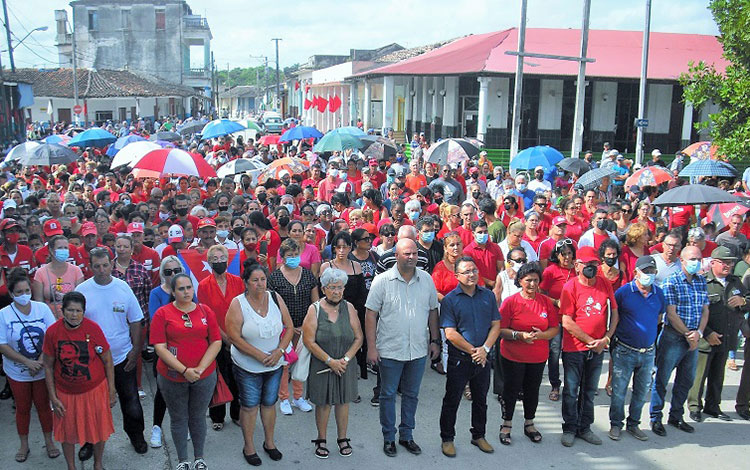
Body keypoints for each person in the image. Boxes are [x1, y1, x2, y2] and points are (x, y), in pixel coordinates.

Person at [365, 239, 440, 457]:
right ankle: (389, 437)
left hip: (417, 350)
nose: (412, 257)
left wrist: (435, 340)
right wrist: (372, 347)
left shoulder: (426, 279)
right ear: (396, 256)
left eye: (415, 253)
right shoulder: (382, 281)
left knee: (411, 395)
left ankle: (407, 436)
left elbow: (433, 311)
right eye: (407, 253)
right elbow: (370, 314)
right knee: (387, 394)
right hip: (389, 349)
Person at [75, 247, 147, 457]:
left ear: (112, 265)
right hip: (91, 360)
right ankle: (89, 441)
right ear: (90, 267)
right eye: (96, 266)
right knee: (91, 406)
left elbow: (136, 320)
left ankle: (137, 436)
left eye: (105, 265)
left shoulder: (123, 288)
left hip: (122, 357)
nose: (101, 270)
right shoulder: (82, 290)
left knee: (131, 401)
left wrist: (135, 350)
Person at [225, 261, 294, 466]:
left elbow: (289, 327)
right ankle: (249, 446)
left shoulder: (275, 297)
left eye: (263, 279)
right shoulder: (238, 304)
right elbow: (234, 337)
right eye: (255, 280)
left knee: (269, 404)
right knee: (249, 406)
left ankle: (269, 443)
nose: (260, 284)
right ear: (246, 282)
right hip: (247, 366)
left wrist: (279, 351)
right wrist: (257, 355)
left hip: (274, 363)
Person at [151, 273, 222, 470]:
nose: (186, 292)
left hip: (204, 376)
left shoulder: (205, 311)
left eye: (189, 287)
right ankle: (183, 460)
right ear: (173, 292)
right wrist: (184, 370)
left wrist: (199, 369)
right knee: (179, 418)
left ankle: (199, 458)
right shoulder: (162, 313)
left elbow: (216, 341)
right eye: (181, 289)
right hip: (172, 377)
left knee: (198, 416)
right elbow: (160, 347)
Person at [42, 291, 116, 470]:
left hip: (95, 390)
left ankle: (98, 464)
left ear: (84, 311)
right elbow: (48, 366)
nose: (74, 315)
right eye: (70, 310)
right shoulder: (53, 332)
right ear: (62, 310)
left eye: (78, 310)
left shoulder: (93, 329)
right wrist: (53, 396)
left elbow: (107, 360)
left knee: (99, 430)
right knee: (67, 433)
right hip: (65, 393)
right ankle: (71, 467)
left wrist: (111, 390)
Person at [438, 256, 500, 457]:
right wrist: (474, 351)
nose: (471, 274)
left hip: (483, 357)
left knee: (481, 399)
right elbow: (450, 333)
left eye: (474, 270)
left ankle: (479, 435)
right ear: (456, 276)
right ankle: (447, 438)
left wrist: (485, 349)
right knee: (452, 400)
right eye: (466, 271)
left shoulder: (488, 296)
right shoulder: (450, 300)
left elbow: (496, 324)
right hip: (460, 359)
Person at [560, 246, 618, 447]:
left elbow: (614, 313)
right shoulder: (570, 287)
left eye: (595, 264)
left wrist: (606, 339)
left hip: (599, 348)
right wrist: (589, 341)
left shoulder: (604, 283)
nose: (592, 268)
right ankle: (569, 428)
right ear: (577, 266)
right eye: (587, 264)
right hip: (575, 348)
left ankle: (584, 427)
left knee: (589, 390)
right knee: (571, 390)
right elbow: (566, 321)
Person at [303, 268, 363, 458]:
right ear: (323, 289)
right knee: (323, 403)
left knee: (343, 401)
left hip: (345, 364)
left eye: (340, 287)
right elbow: (308, 340)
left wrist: (344, 360)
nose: (336, 291)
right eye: (332, 287)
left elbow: (359, 338)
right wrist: (330, 361)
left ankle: (342, 438)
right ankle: (321, 439)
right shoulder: (315, 309)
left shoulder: (350, 308)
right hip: (322, 364)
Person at [0, 268, 59, 462]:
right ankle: (23, 444)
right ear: (11, 294)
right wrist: (27, 362)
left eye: (27, 291)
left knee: (44, 406)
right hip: (17, 371)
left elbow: (52, 335)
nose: (24, 295)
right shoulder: (3, 314)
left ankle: (49, 441)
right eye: (19, 292)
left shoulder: (41, 309)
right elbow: (2, 345)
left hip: (42, 370)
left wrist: (41, 361)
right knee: (22, 408)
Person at [650, 246, 709, 437]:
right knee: (662, 379)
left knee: (686, 380)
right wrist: (687, 334)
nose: (696, 262)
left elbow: (705, 310)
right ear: (681, 260)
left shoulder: (701, 281)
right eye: (692, 259)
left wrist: (698, 332)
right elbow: (671, 313)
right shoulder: (671, 281)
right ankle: (655, 417)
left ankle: (676, 416)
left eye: (698, 259)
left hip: (693, 339)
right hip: (673, 337)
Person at [498, 262, 559, 445]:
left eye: (535, 280)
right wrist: (519, 335)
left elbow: (554, 328)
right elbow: (500, 330)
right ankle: (506, 423)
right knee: (511, 390)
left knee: (532, 390)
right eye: (528, 280)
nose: (532, 284)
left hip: (537, 356)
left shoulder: (546, 302)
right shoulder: (511, 302)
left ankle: (529, 423)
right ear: (520, 281)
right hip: (512, 355)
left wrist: (542, 335)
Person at [687, 246, 749, 422]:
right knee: (699, 375)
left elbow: (748, 300)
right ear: (713, 263)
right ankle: (694, 406)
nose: (728, 266)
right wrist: (707, 333)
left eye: (730, 262)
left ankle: (713, 406)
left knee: (718, 376)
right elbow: (696, 312)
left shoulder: (736, 282)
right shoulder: (703, 282)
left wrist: (743, 301)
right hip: (707, 338)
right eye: (724, 262)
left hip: (727, 336)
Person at [609, 255, 666, 442]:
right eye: (645, 271)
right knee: (619, 391)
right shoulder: (624, 292)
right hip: (624, 350)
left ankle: (634, 424)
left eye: (652, 272)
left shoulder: (659, 293)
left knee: (641, 392)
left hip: (648, 352)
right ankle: (616, 424)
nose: (649, 275)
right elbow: (614, 317)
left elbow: (658, 318)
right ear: (636, 273)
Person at [197, 244, 245, 430]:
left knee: (238, 378)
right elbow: (208, 316)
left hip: (238, 337)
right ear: (209, 263)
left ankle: (236, 413)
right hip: (215, 340)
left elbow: (242, 310)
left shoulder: (237, 282)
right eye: (215, 259)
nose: (219, 262)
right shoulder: (203, 286)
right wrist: (225, 339)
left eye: (222, 258)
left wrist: (236, 338)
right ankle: (217, 417)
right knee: (217, 378)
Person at [268, 238, 319, 415]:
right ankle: (284, 398)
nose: (294, 258)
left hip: (305, 327)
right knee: (284, 364)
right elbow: (272, 306)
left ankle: (298, 397)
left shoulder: (307, 275)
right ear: (282, 257)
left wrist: (310, 324)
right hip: (284, 330)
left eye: (296, 254)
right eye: (290, 255)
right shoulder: (274, 278)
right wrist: (287, 326)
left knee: (301, 364)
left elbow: (315, 302)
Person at [147, 255, 190, 448]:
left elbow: (194, 314)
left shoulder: (188, 291)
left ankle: (183, 423)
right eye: (168, 272)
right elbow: (157, 321)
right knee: (164, 390)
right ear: (162, 274)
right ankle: (157, 426)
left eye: (176, 271)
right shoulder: (156, 293)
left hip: (186, 347)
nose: (172, 274)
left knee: (185, 389)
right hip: (164, 349)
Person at [320, 232, 368, 382]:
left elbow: (362, 294)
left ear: (350, 248)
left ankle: (352, 380)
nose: (341, 250)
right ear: (334, 248)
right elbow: (323, 292)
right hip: (333, 313)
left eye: (345, 247)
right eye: (338, 247)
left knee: (354, 347)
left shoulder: (357, 266)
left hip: (355, 312)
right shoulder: (326, 266)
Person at [32, 235, 84, 318]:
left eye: (66, 248)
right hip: (50, 318)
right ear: (51, 250)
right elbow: (39, 303)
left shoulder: (76, 271)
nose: (63, 250)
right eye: (60, 248)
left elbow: (80, 300)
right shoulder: (40, 273)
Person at [464, 219, 503, 288]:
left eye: (485, 232)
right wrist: (490, 282)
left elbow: (501, 268)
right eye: (480, 232)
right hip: (477, 287)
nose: (483, 234)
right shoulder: (467, 251)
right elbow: (471, 272)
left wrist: (498, 283)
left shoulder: (495, 247)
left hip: (497, 285)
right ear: (473, 234)